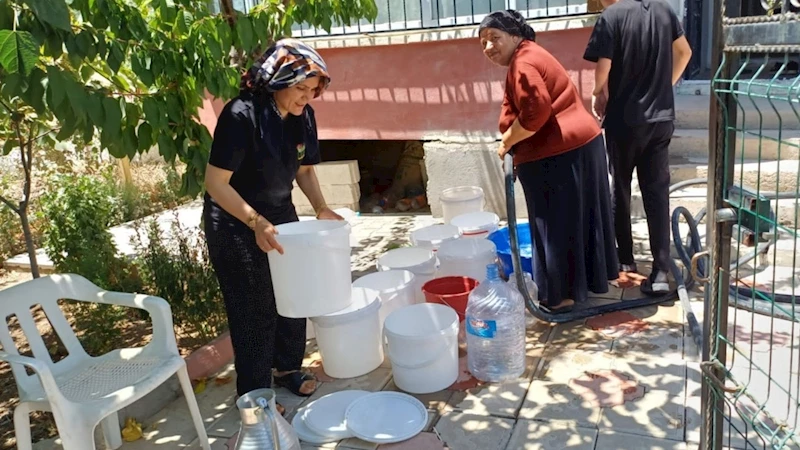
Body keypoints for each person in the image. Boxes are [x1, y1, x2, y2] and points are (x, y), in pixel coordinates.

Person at [203, 38, 343, 414]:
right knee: (254, 307)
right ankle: (253, 394)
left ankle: (287, 370)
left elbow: (304, 169)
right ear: (278, 78)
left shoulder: (302, 116)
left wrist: (321, 207)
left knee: (293, 294)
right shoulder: (240, 115)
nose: (307, 98)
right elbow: (216, 183)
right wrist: (255, 221)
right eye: (301, 88)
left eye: (313, 90)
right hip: (235, 221)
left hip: (279, 216)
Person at [478, 10, 619, 313]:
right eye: (483, 42)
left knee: (554, 226)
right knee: (576, 220)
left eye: (494, 38)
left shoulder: (523, 63)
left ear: (516, 36)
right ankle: (582, 287)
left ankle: (560, 296)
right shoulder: (528, 56)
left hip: (561, 154)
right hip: (580, 145)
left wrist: (507, 141)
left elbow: (536, 111)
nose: (488, 47)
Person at [583, 0, 693, 294]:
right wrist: (665, 86)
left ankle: (625, 259)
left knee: (619, 185)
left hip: (625, 119)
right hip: (660, 118)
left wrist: (597, 93)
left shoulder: (612, 16)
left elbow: (603, 64)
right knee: (656, 193)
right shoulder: (665, 10)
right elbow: (685, 52)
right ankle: (660, 273)